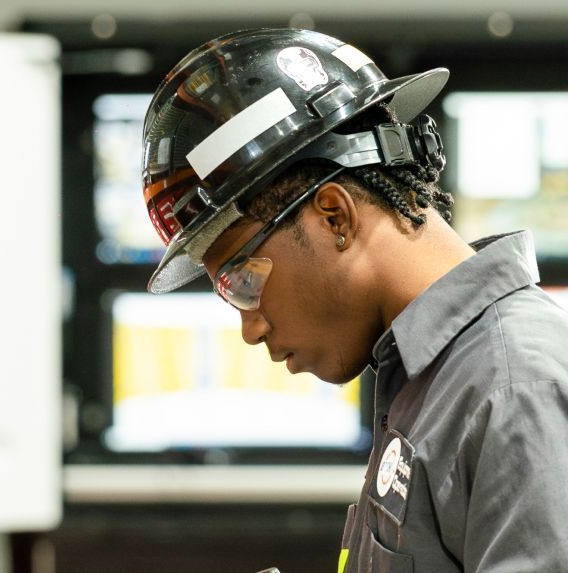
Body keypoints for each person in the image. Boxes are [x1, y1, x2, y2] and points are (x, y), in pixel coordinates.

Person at [140, 28, 568, 572]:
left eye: (240, 281)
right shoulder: (433, 382)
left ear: (334, 216)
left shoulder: (514, 390)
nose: (250, 329)